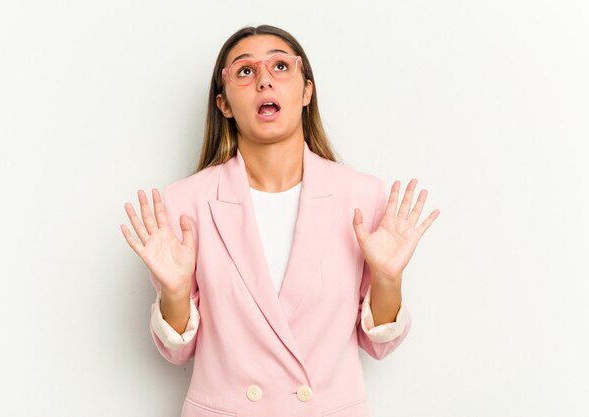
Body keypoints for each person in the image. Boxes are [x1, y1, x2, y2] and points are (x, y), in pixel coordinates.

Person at [121, 24, 440, 417]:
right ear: (223, 103)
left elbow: (378, 345)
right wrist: (173, 292)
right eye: (244, 70)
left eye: (280, 66)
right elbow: (178, 352)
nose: (264, 80)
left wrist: (389, 279)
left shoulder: (362, 197)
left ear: (306, 91)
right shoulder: (185, 201)